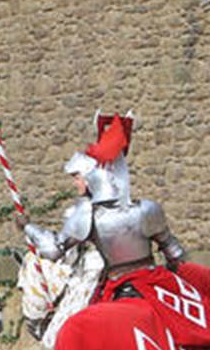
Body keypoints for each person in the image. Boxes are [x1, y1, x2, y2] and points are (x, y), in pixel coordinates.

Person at [24, 114, 185, 285]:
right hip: (153, 280)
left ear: (93, 180)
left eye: (77, 177)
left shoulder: (88, 215)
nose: (76, 182)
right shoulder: (146, 209)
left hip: (117, 283)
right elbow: (174, 253)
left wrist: (28, 227)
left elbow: (53, 250)